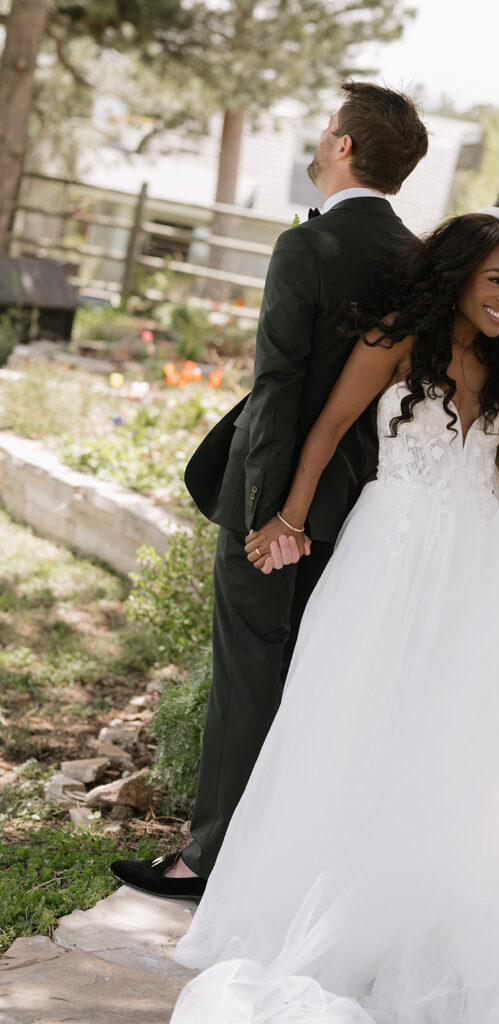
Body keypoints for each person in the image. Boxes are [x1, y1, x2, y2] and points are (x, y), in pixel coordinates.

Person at [168, 211, 499, 1023]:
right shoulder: (395, 339)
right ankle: (325, 904)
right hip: (389, 553)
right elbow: (329, 428)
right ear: (457, 274)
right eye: (496, 279)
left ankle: (418, 898)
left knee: (439, 733)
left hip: (468, 564)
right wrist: (290, 518)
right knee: (352, 716)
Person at [110, 82, 429, 900]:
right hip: (359, 494)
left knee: (249, 671)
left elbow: (281, 382)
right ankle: (285, 850)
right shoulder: (417, 257)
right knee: (308, 674)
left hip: (281, 499)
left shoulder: (308, 247)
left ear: (346, 147)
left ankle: (208, 858)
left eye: (328, 127)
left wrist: (270, 517)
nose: (320, 136)